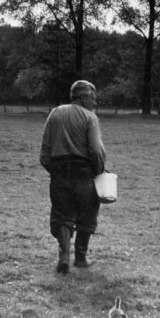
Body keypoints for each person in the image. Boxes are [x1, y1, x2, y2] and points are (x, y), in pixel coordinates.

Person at [40, 80, 106, 273]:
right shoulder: (90, 117)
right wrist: (99, 171)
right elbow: (96, 150)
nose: (95, 102)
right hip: (84, 173)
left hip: (59, 172)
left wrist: (55, 171)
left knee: (62, 215)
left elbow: (44, 152)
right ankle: (81, 258)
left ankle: (63, 255)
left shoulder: (55, 113)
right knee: (87, 214)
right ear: (82, 97)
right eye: (93, 98)